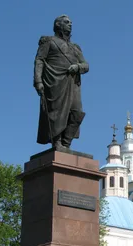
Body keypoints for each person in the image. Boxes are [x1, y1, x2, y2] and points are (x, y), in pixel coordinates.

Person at [34, 15, 89, 150]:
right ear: (58, 25)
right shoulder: (49, 41)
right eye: (66, 22)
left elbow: (86, 65)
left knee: (76, 113)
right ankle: (57, 142)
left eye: (71, 23)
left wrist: (78, 67)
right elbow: (39, 60)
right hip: (54, 81)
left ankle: (66, 143)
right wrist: (38, 80)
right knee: (56, 113)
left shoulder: (75, 47)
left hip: (73, 83)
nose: (70, 24)